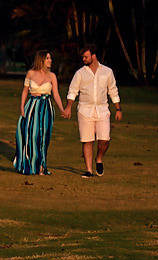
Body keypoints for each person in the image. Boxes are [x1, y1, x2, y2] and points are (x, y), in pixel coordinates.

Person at [64, 44, 122, 178]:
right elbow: (73, 91)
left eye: (86, 56)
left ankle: (99, 159)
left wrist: (118, 109)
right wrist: (68, 107)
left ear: (94, 56)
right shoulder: (80, 73)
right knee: (87, 140)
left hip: (102, 110)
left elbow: (113, 91)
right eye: (83, 57)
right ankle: (89, 170)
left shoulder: (107, 72)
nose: (83, 59)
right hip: (85, 110)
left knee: (105, 139)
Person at [14, 51, 66, 175]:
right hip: (32, 106)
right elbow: (25, 91)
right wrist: (22, 107)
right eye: (48, 58)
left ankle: (42, 166)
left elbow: (56, 94)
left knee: (43, 137)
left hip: (46, 107)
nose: (50, 60)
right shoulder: (30, 73)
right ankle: (29, 164)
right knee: (30, 136)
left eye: (50, 58)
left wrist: (62, 109)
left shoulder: (52, 76)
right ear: (41, 59)